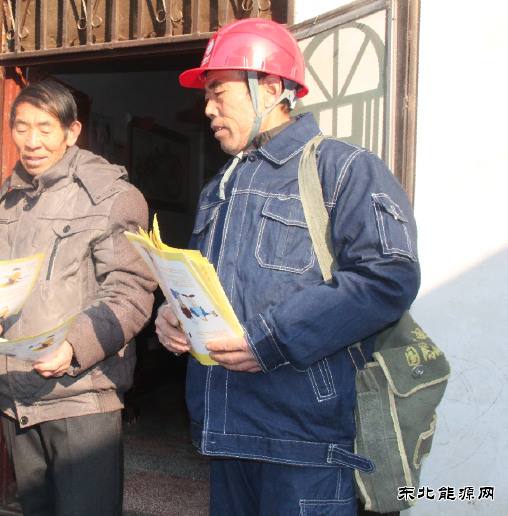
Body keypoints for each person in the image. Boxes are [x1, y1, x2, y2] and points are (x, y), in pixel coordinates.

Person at [155, 19, 421, 515]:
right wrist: (175, 315)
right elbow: (210, 287)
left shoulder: (342, 168)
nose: (207, 108)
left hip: (306, 442)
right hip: (225, 433)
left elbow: (389, 276)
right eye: (206, 95)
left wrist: (274, 339)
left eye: (218, 91)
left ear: (271, 87)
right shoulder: (219, 188)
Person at [0, 81, 156, 516]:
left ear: (72, 132)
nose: (32, 141)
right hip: (16, 400)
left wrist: (73, 347)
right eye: (21, 127)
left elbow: (131, 290)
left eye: (45, 128)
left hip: (79, 398)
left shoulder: (111, 196)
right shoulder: (5, 203)